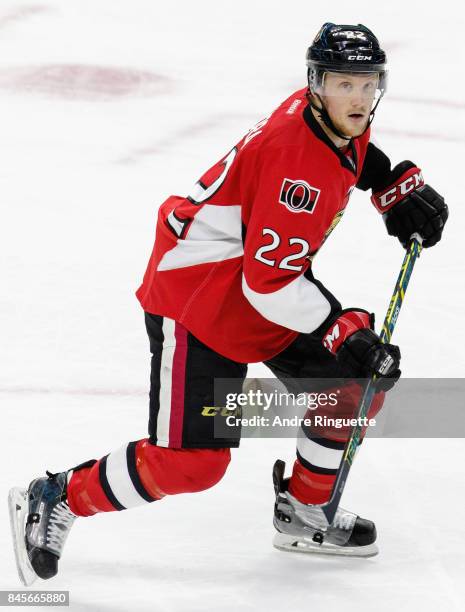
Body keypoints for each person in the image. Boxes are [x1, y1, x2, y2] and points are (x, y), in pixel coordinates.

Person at [9, 22, 448, 584]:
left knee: (350, 388)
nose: (359, 98)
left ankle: (305, 509)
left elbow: (350, 157)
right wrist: (343, 330)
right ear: (317, 84)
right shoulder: (298, 167)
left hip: (259, 287)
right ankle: (58, 495)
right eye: (345, 84)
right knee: (191, 464)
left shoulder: (324, 115)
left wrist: (388, 182)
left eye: (367, 83)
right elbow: (267, 285)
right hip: (201, 300)